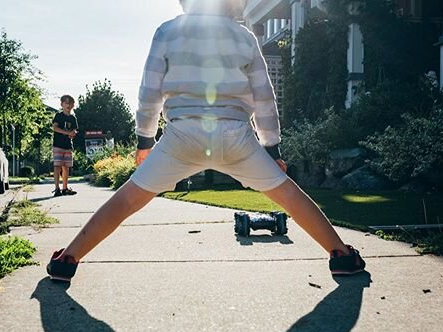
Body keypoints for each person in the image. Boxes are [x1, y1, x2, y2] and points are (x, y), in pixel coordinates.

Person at [47, 0, 365, 282]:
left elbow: (149, 94)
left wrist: (145, 141)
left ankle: (68, 259)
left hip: (181, 137)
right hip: (237, 135)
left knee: (128, 199)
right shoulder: (245, 38)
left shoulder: (167, 32)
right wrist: (272, 148)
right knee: (287, 194)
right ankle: (340, 254)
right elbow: (264, 100)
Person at [52, 95, 78, 197]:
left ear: (73, 105)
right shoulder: (59, 116)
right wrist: (67, 133)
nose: (68, 105)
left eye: (70, 103)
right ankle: (57, 188)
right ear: (61, 104)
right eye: (66, 103)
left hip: (68, 146)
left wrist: (73, 133)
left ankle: (65, 188)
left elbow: (75, 130)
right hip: (58, 145)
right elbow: (55, 128)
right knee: (57, 166)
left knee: (66, 167)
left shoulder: (73, 118)